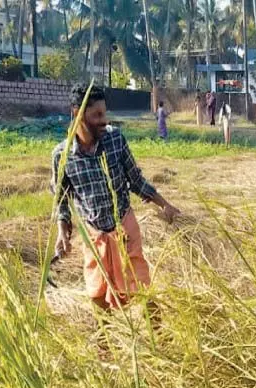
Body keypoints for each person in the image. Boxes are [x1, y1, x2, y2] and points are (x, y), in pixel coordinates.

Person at [51, 84, 181, 310]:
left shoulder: (115, 140)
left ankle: (159, 340)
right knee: (97, 297)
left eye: (105, 113)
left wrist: (165, 205)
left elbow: (136, 180)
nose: (104, 120)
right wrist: (63, 233)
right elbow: (61, 200)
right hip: (94, 236)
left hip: (125, 229)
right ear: (77, 114)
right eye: (97, 115)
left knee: (140, 289)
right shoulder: (62, 156)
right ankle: (105, 344)